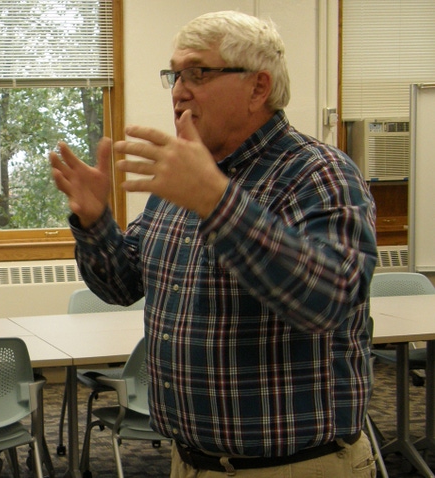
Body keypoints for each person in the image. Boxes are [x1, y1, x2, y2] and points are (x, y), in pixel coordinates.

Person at [50, 11, 377, 477]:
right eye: (175, 74)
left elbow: (328, 301)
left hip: (296, 466)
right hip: (190, 462)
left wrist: (217, 201)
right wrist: (96, 221)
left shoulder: (319, 173)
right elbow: (122, 285)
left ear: (258, 88)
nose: (179, 90)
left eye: (198, 73)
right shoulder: (189, 177)